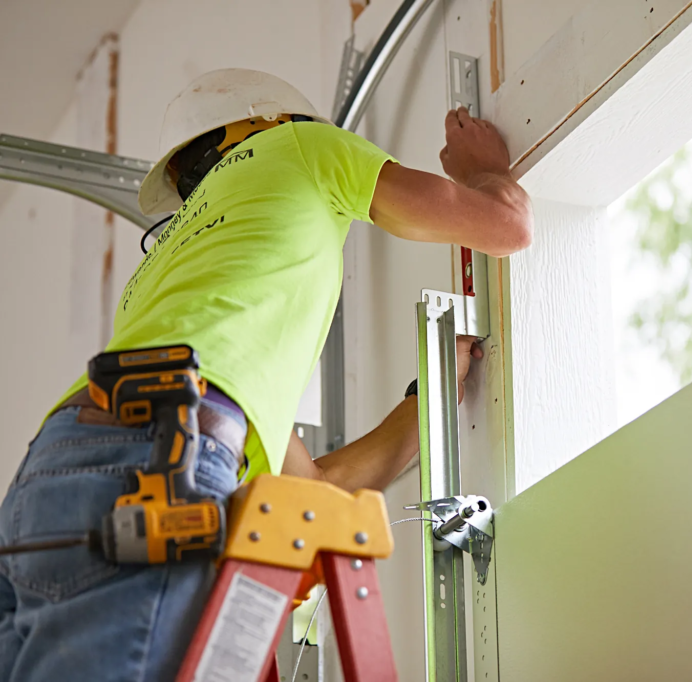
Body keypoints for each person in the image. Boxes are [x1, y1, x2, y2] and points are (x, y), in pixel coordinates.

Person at [0, 68, 532, 681]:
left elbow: (306, 492)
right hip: (157, 455)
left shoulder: (159, 286)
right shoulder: (298, 145)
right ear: (271, 119)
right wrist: (481, 171)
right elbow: (506, 226)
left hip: (46, 482)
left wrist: (422, 405)